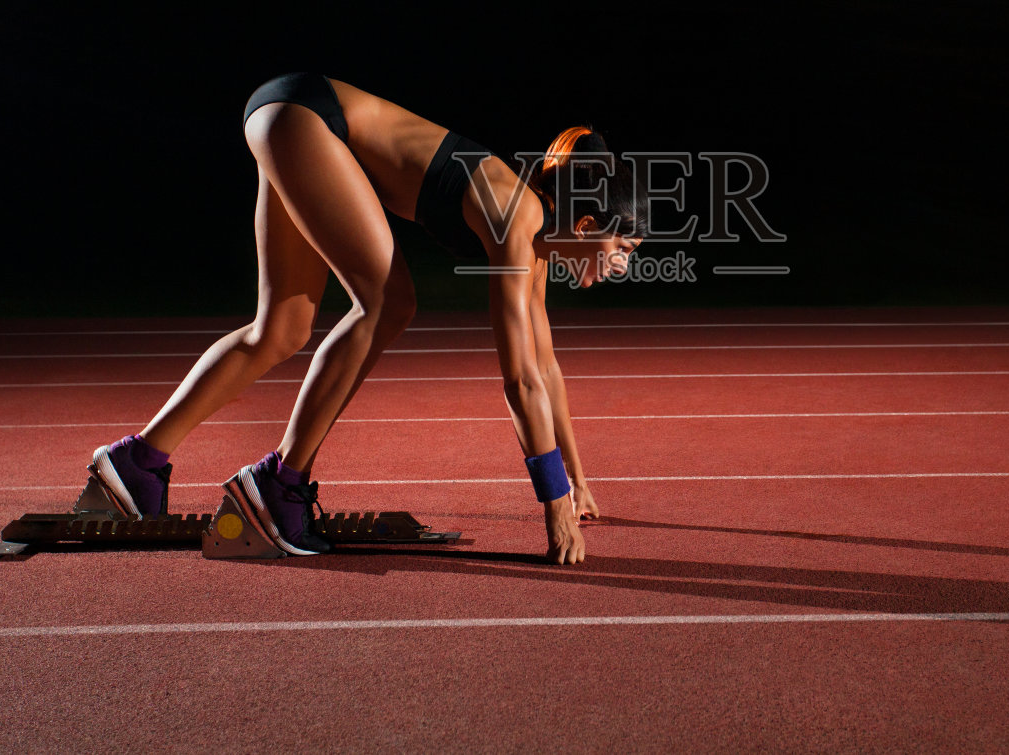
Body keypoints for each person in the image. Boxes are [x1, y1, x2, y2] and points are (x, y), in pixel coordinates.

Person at [86, 73, 647, 564]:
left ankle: (137, 462)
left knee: (279, 329)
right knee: (388, 304)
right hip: (307, 117)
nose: (623, 265)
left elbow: (543, 368)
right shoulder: (518, 217)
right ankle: (278, 485)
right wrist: (552, 506)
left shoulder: (534, 243)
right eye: (623, 248)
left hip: (292, 115)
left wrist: (575, 480)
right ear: (586, 225)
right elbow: (518, 380)